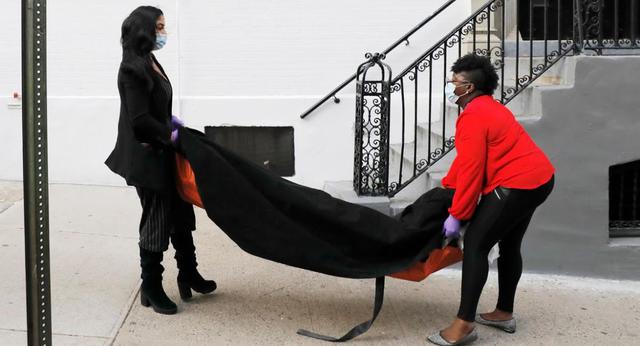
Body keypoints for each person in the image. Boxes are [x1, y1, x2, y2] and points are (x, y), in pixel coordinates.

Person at [427, 54, 555, 345]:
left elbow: (473, 170)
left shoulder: (473, 115)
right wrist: (449, 186)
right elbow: (470, 159)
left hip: (517, 184)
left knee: (475, 244)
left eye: (454, 82)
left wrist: (457, 213)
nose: (450, 86)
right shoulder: (489, 107)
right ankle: (503, 313)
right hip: (540, 178)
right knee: (510, 244)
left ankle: (463, 325)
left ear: (468, 88)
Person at [105, 6, 216, 315]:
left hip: (163, 151)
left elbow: (155, 109)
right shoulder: (132, 70)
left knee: (181, 211)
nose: (164, 33)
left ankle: (188, 273)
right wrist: (171, 135)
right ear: (144, 30)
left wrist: (172, 124)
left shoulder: (151, 61)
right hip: (147, 155)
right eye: (160, 27)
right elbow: (139, 120)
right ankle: (151, 287)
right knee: (156, 219)